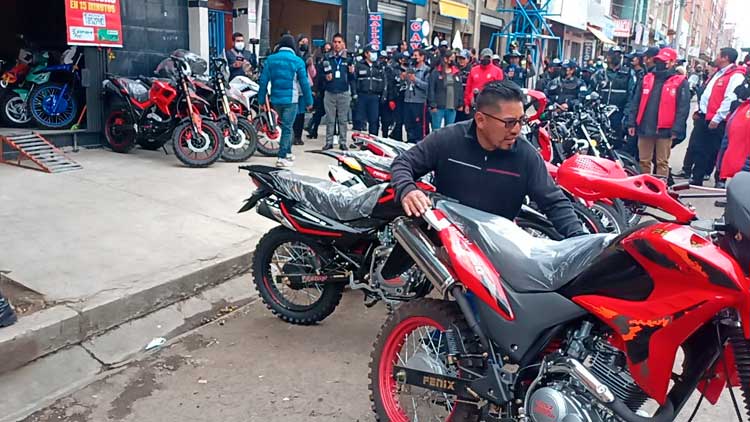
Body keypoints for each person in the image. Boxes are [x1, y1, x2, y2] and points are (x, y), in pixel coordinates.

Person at [391, 80, 585, 238]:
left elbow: (554, 203)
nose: (517, 130)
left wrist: (580, 240)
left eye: (521, 121)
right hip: (444, 242)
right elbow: (403, 163)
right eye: (509, 123)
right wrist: (408, 189)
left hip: (496, 249)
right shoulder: (448, 139)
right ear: (480, 120)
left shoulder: (526, 155)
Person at [626, 48, 690, 177]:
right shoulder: (647, 78)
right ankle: (644, 188)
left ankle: (661, 188)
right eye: (659, 60)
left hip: (665, 129)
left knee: (662, 162)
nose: (661, 63)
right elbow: (635, 102)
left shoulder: (680, 81)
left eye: (664, 61)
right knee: (644, 161)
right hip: (644, 126)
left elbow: (683, 108)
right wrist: (631, 123)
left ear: (673, 62)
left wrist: (677, 129)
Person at [686, 47, 746, 186]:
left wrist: (718, 117)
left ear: (725, 58)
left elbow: (730, 98)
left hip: (717, 121)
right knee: (701, 149)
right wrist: (699, 109)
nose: (716, 57)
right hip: (705, 116)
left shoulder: (735, 76)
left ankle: (719, 180)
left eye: (718, 55)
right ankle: (697, 177)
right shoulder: (719, 73)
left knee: (716, 151)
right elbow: (706, 93)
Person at [257, 34, 313, 168]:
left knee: (283, 126)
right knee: (287, 128)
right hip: (291, 99)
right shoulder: (297, 61)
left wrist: (261, 99)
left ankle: (287, 153)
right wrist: (309, 101)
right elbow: (304, 83)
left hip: (275, 99)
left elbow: (263, 81)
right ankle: (281, 157)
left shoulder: (270, 60)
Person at [592, 46, 636, 154]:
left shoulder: (628, 74)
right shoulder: (600, 74)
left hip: (619, 115)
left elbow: (632, 96)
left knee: (616, 145)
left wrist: (626, 115)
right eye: (614, 54)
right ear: (608, 57)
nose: (617, 57)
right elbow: (591, 91)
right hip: (600, 115)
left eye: (619, 55)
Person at [321, 33, 356, 150]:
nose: (337, 44)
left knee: (343, 119)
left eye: (339, 42)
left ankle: (343, 142)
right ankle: (329, 142)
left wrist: (352, 72)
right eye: (335, 42)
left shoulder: (349, 58)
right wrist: (325, 77)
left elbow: (353, 78)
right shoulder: (327, 57)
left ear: (343, 44)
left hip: (343, 92)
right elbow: (320, 73)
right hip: (330, 91)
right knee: (330, 119)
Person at [354, 46, 386, 135]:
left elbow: (384, 81)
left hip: (374, 96)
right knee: (359, 119)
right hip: (362, 95)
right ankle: (357, 139)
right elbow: (354, 80)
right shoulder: (360, 65)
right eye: (372, 52)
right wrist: (354, 93)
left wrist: (384, 95)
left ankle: (373, 140)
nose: (374, 54)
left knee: (374, 120)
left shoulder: (379, 66)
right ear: (366, 54)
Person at [428, 50, 464, 129]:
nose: (453, 60)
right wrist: (432, 104)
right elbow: (431, 89)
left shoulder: (456, 72)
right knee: (436, 129)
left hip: (452, 106)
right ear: (445, 59)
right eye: (451, 58)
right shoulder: (436, 72)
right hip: (438, 106)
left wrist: (460, 103)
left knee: (450, 129)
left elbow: (459, 89)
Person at [402, 49, 431, 142]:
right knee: (408, 124)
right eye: (413, 55)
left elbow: (427, 86)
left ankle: (419, 142)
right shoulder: (409, 68)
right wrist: (403, 77)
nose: (414, 58)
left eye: (416, 55)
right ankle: (410, 141)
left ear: (422, 57)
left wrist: (415, 80)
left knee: (419, 125)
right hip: (407, 100)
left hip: (419, 101)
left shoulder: (426, 70)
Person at [455, 50, 472, 122]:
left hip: (466, 100)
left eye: (463, 58)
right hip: (455, 100)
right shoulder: (454, 69)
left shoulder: (472, 70)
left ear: (468, 59)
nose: (461, 60)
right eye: (459, 58)